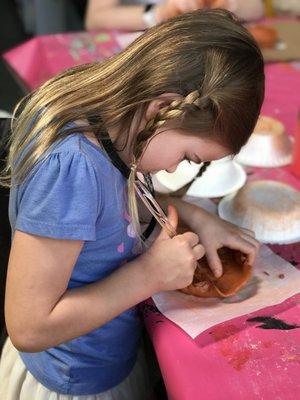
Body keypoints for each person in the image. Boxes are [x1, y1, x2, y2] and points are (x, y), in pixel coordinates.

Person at [0, 9, 263, 399]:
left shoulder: (118, 127)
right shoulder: (69, 167)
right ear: (162, 109)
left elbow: (111, 203)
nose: (175, 168)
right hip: (75, 380)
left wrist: (194, 215)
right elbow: (29, 325)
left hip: (110, 351)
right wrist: (149, 276)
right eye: (188, 157)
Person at [85, 0, 265, 31]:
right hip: (148, 41)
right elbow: (95, 19)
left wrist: (230, 4)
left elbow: (257, 8)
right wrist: (159, 14)